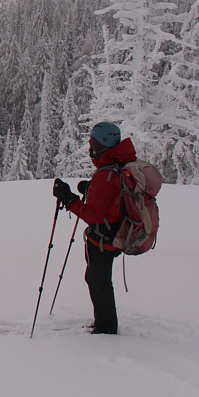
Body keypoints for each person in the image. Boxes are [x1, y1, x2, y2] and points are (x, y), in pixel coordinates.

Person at [52, 121, 136, 335]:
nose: (91, 148)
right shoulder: (120, 166)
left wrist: (69, 199)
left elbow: (93, 215)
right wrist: (90, 189)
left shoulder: (106, 175)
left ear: (101, 144)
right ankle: (103, 322)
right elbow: (112, 198)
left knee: (99, 282)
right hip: (116, 234)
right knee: (96, 279)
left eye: (93, 143)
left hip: (103, 240)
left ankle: (106, 329)